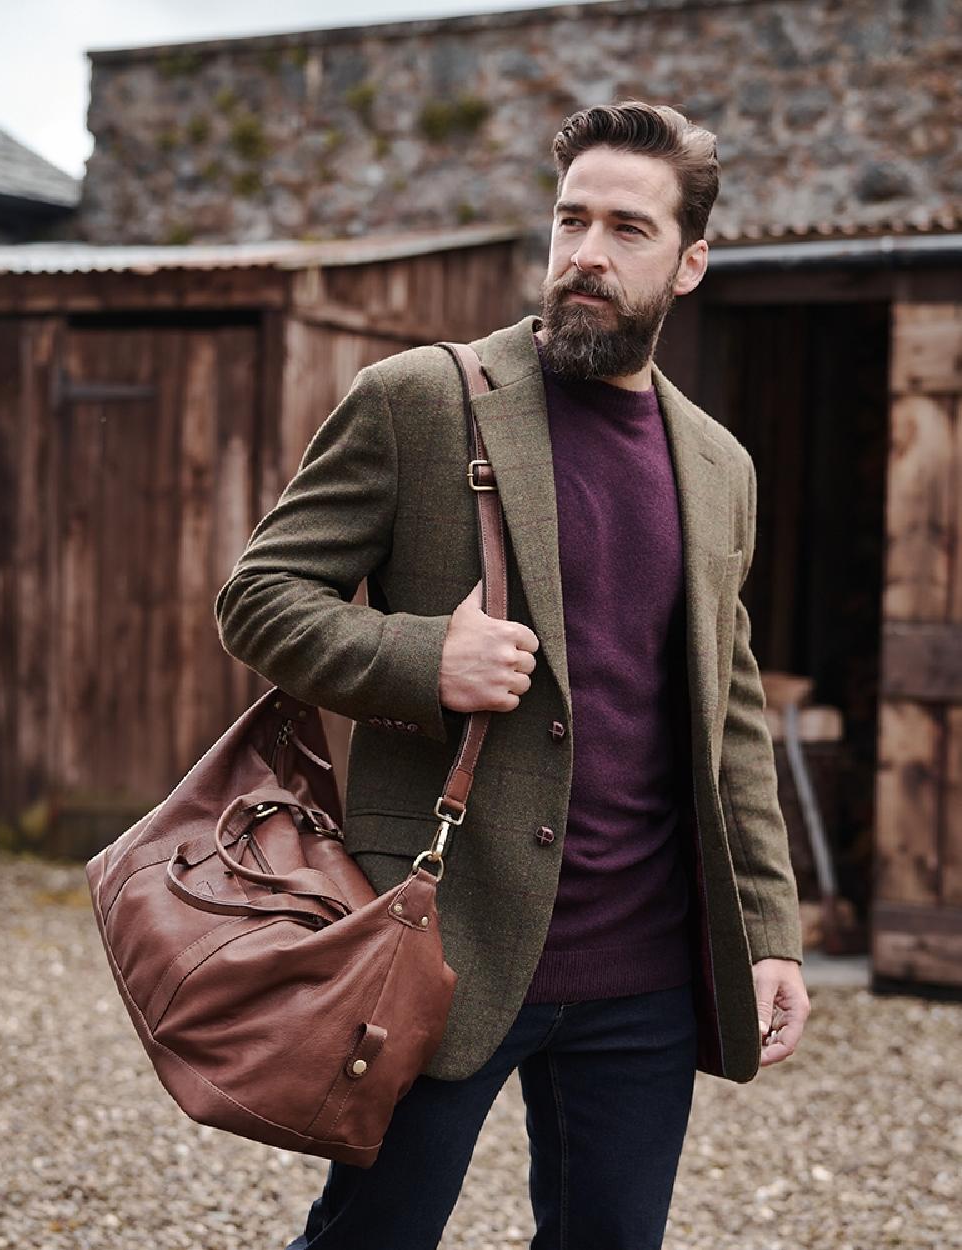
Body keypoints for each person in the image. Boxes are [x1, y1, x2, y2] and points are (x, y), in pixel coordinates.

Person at [215, 99, 810, 1250]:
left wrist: (769, 929)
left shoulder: (719, 464)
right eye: (569, 219)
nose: (587, 251)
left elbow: (729, 711)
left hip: (646, 966)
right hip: (440, 936)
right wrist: (420, 654)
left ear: (690, 262)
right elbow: (259, 595)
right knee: (370, 1238)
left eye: (627, 229)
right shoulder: (419, 402)